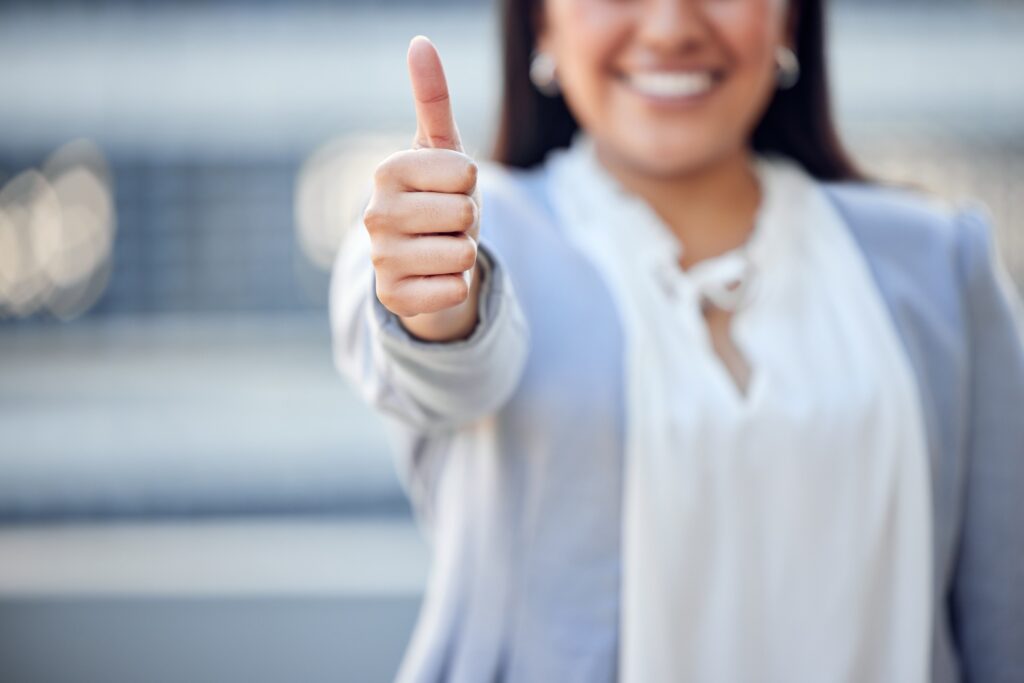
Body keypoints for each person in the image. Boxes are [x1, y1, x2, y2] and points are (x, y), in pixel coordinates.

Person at [330, 0, 1024, 680]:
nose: (670, 26)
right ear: (541, 19)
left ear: (789, 17)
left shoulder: (940, 261)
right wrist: (438, 297)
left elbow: (1006, 614)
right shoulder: (476, 236)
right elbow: (437, 364)